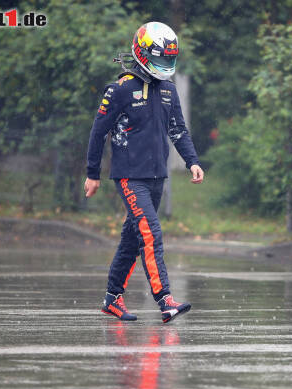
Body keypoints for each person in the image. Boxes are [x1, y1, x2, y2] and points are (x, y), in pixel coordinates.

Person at [84, 22, 204, 323]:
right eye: (160, 59)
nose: (164, 66)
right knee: (151, 233)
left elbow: (178, 130)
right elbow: (98, 133)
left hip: (156, 177)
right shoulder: (120, 89)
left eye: (168, 60)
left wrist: (192, 161)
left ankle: (112, 299)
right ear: (142, 52)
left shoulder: (169, 91)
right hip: (128, 175)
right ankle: (165, 300)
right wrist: (93, 173)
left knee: (132, 238)